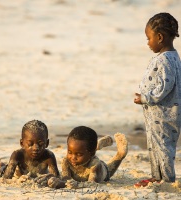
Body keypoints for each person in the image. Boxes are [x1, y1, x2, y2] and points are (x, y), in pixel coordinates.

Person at [134, 13, 181, 187]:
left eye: (149, 38)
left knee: (163, 147)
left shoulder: (165, 60)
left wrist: (145, 98)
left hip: (164, 114)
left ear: (160, 37)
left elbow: (164, 88)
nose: (148, 43)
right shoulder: (173, 56)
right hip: (160, 113)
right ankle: (157, 176)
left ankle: (167, 180)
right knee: (156, 145)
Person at [48, 126, 128, 188]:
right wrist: (56, 182)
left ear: (92, 154)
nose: (73, 157)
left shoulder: (95, 165)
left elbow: (92, 184)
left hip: (102, 170)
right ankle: (96, 146)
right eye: (70, 152)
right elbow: (66, 180)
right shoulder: (66, 161)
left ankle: (120, 154)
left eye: (78, 154)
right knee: (84, 149)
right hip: (88, 152)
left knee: (109, 171)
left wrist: (77, 185)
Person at [0, 119, 61, 187]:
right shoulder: (17, 155)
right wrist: (17, 180)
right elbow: (6, 178)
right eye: (30, 144)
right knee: (4, 169)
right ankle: (2, 166)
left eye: (40, 144)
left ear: (47, 143)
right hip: (18, 173)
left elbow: (56, 178)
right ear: (22, 143)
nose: (35, 148)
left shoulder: (49, 156)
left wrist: (51, 179)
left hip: (40, 177)